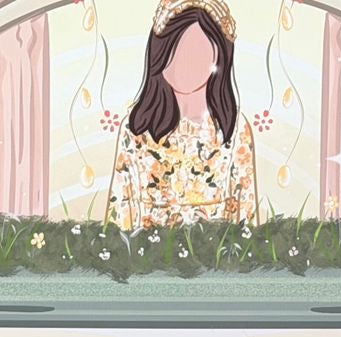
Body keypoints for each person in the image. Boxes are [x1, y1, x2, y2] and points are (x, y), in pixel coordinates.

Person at [104, 1, 258, 231]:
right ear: (159, 53)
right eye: (175, 52)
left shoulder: (234, 129)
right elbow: (120, 212)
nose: (183, 65)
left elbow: (246, 214)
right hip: (148, 252)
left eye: (197, 53)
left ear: (218, 55)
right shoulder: (136, 127)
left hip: (217, 253)